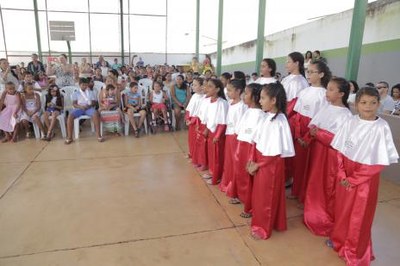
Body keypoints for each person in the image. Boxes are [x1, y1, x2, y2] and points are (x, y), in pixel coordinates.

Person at [328, 87, 398, 266]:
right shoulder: (350, 121)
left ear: (379, 104)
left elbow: (378, 163)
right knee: (343, 210)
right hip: (345, 174)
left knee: (359, 216)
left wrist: (354, 179)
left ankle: (354, 251)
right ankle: (339, 241)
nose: (368, 107)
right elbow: (340, 150)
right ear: (356, 104)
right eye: (364, 102)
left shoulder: (381, 127)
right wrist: (342, 173)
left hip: (364, 179)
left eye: (373, 103)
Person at [303, 77, 352, 236]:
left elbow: (340, 140)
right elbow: (314, 124)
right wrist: (312, 132)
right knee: (315, 182)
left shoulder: (346, 116)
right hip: (318, 152)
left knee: (327, 186)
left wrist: (319, 134)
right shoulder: (326, 108)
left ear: (341, 94)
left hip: (331, 157)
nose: (327, 92)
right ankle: (312, 212)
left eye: (331, 89)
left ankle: (324, 219)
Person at [247, 82, 295, 240]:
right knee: (260, 195)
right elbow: (257, 139)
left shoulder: (278, 122)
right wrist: (252, 159)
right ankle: (269, 221)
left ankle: (263, 228)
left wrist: (257, 164)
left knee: (267, 196)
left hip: (269, 165)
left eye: (262, 98)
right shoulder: (266, 116)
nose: (259, 101)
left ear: (273, 100)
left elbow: (274, 153)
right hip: (261, 161)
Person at [289, 60, 331, 203]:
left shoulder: (324, 95)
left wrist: (307, 138)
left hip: (312, 133)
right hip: (300, 129)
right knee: (299, 164)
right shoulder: (304, 91)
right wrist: (297, 134)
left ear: (321, 74)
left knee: (311, 165)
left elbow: (321, 120)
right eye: (308, 71)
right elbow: (297, 115)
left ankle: (306, 195)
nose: (308, 75)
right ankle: (297, 189)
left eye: (312, 72)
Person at [227, 83, 263, 218]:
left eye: (247, 93)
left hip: (250, 148)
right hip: (241, 144)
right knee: (239, 172)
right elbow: (240, 129)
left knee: (248, 176)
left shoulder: (260, 114)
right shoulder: (248, 110)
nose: (244, 96)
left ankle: (249, 205)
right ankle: (239, 195)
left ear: (254, 97)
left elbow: (255, 137)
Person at [219, 79, 247, 193]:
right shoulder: (230, 103)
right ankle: (227, 181)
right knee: (229, 160)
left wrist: (236, 134)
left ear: (238, 91)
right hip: (229, 134)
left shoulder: (242, 106)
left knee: (235, 160)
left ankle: (233, 185)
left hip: (236, 136)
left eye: (230, 90)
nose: (228, 93)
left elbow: (241, 123)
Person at [201, 78, 228, 185]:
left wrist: (217, 135)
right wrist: (207, 129)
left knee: (217, 155)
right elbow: (209, 118)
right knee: (211, 154)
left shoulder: (222, 103)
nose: (207, 88)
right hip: (211, 131)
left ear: (217, 89)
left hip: (218, 133)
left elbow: (222, 121)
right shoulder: (209, 101)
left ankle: (217, 176)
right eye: (206, 85)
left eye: (210, 86)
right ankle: (212, 171)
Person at [65, 78, 103, 144]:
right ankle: (70, 137)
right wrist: (80, 107)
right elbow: (74, 104)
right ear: (79, 85)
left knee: (96, 114)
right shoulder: (76, 93)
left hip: (89, 108)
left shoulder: (91, 92)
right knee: (70, 116)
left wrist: (89, 106)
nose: (84, 86)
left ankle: (98, 135)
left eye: (86, 85)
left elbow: (94, 102)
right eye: (83, 85)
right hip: (79, 108)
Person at [281, 52, 309, 119]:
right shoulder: (285, 79)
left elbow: (298, 104)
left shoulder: (301, 82)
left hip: (292, 117)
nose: (286, 64)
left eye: (288, 62)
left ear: (296, 63)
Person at [185, 77, 205, 160]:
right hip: (191, 120)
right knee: (191, 139)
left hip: (197, 122)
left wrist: (192, 121)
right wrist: (187, 118)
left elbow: (199, 113)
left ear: (202, 86)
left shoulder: (204, 98)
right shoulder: (194, 96)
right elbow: (189, 109)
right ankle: (192, 153)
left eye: (195, 85)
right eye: (192, 84)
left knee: (197, 140)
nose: (192, 86)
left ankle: (197, 157)